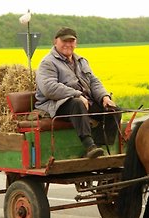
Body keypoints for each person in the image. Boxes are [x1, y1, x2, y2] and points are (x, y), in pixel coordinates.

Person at [35, 27, 121, 158]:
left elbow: (93, 81)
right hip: (56, 103)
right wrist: (77, 94)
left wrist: (104, 97)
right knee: (77, 104)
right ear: (55, 42)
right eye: (64, 41)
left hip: (84, 101)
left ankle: (101, 146)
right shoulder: (48, 62)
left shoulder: (81, 61)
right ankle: (89, 146)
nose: (68, 45)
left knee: (113, 110)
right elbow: (49, 88)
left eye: (71, 41)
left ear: (76, 43)